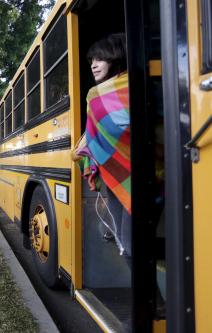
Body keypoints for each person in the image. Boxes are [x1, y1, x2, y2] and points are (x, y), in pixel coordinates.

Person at [74, 33, 131, 257]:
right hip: (114, 172)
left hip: (139, 173)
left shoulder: (105, 93)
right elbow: (94, 132)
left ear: (115, 57)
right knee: (123, 242)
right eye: (91, 61)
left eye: (100, 59)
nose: (94, 65)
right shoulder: (95, 94)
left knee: (128, 244)